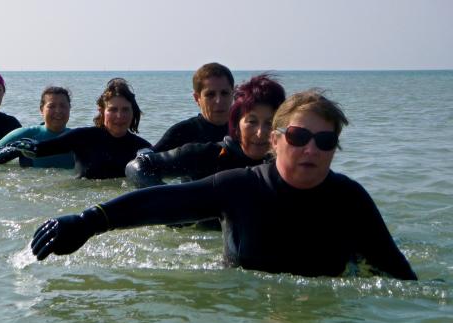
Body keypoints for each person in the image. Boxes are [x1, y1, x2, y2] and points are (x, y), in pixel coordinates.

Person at [30, 90, 418, 280]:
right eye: (299, 137)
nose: (311, 149)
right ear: (276, 140)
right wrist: (87, 220)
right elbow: (159, 203)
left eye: (326, 141)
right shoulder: (238, 187)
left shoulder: (349, 199)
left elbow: (400, 277)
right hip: (238, 312)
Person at [0, 78, 151, 179]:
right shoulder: (81, 138)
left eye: (125, 110)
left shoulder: (141, 147)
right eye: (113, 109)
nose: (119, 116)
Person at [126, 73, 286, 188]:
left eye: (269, 123)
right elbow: (137, 167)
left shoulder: (286, 163)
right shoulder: (206, 155)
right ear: (236, 123)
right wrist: (175, 204)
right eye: (252, 122)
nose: (260, 132)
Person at [152, 62, 234, 152]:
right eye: (210, 94)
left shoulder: (243, 131)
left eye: (224, 93)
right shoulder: (181, 133)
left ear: (233, 94)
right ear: (197, 98)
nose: (219, 100)